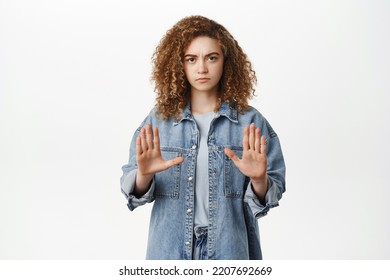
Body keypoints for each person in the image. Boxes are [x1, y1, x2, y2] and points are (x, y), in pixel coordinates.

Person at [120, 15, 286, 260]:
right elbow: (131, 190)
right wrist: (143, 176)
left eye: (212, 57)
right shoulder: (158, 121)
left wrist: (259, 180)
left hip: (229, 251)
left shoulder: (250, 123)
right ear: (179, 64)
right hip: (169, 251)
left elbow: (271, 192)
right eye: (191, 59)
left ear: (226, 62)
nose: (202, 68)